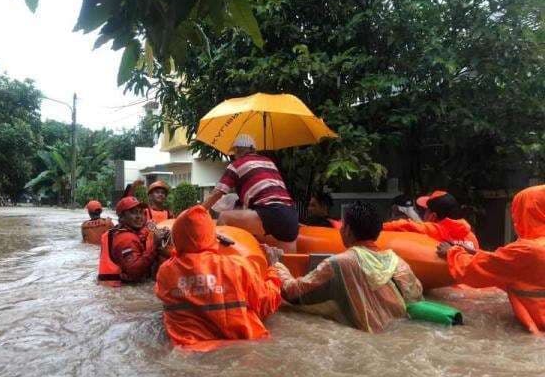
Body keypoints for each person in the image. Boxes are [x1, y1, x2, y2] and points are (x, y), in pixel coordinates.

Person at [266, 201, 423, 333]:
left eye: (343, 226)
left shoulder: (339, 264)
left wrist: (276, 265)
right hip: (397, 339)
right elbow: (416, 301)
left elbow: (293, 293)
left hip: (365, 344)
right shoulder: (399, 262)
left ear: (347, 230)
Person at [155, 205, 282, 351]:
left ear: (177, 236)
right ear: (212, 234)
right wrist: (273, 268)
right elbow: (266, 303)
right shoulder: (237, 266)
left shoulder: (165, 272)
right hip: (243, 348)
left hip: (187, 351)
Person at [437, 185, 545, 333]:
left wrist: (452, 252)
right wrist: (476, 252)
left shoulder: (527, 251)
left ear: (527, 213)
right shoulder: (528, 250)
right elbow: (506, 264)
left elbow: (473, 272)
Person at [202, 134, 299, 253]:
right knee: (287, 267)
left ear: (236, 150)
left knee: (224, 217)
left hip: (270, 212)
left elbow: (217, 193)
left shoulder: (236, 165)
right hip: (291, 215)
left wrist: (198, 210)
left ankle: (220, 260)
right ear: (254, 149)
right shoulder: (269, 162)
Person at [383, 190, 479, 251]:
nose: (424, 214)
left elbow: (403, 225)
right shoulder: (471, 236)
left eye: (426, 210)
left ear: (433, 216)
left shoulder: (432, 230)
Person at [105, 196, 167, 283]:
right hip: (127, 289)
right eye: (133, 213)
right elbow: (134, 271)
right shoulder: (126, 239)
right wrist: (155, 245)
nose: (139, 216)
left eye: (141, 212)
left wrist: (148, 229)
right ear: (122, 217)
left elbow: (138, 237)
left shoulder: (127, 230)